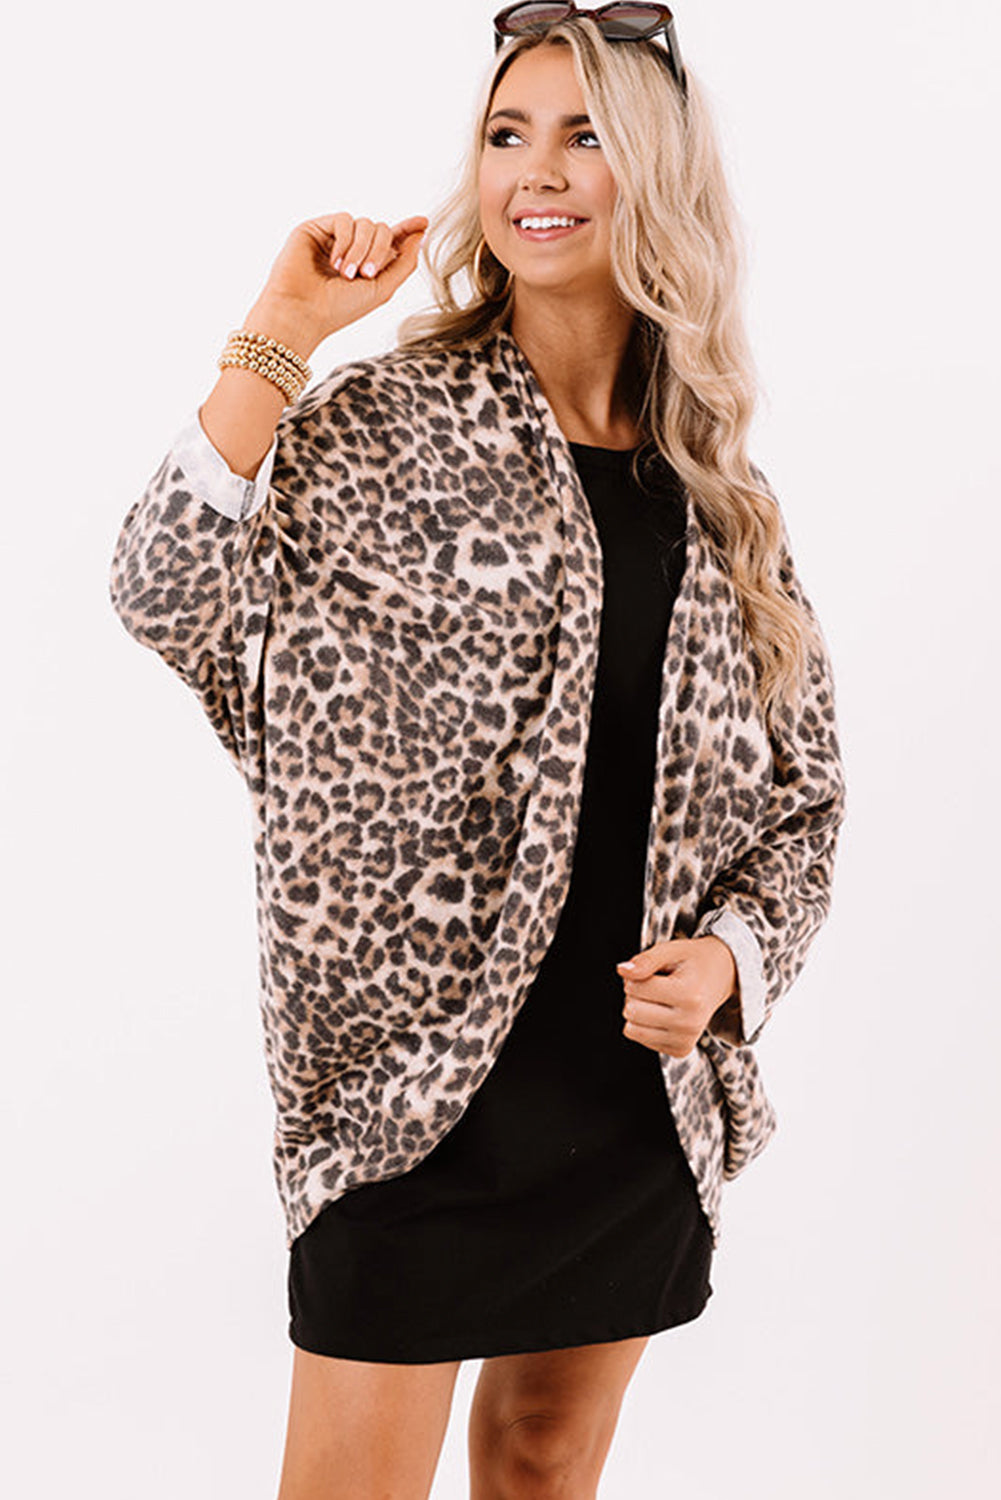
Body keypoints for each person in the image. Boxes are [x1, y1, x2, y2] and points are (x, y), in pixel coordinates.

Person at [108, 6, 847, 1497]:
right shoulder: (386, 423)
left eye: (585, 136)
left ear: (658, 176)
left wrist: (729, 962)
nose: (535, 171)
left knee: (543, 1463)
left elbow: (805, 799)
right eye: (507, 134)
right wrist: (282, 332)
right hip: (408, 1093)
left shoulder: (715, 486)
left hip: (627, 1095)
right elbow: (162, 584)